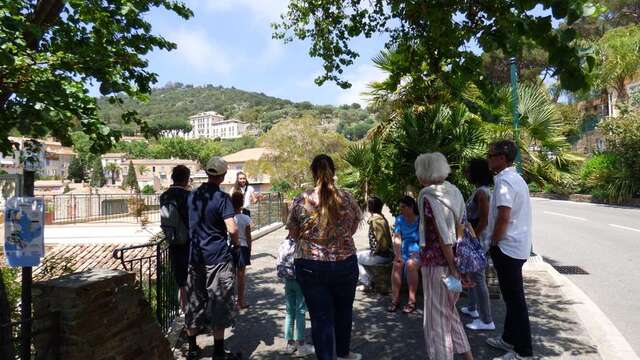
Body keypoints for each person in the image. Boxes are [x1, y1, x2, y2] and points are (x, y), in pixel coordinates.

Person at [287, 154, 362, 360]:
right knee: (344, 312)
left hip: (310, 265)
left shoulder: (302, 200)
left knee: (320, 318)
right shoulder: (347, 197)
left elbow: (292, 233)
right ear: (334, 171)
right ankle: (344, 354)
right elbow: (354, 227)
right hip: (345, 263)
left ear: (313, 173)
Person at [416, 152, 473, 360]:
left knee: (436, 323)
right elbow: (462, 227)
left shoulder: (428, 195)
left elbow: (443, 236)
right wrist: (459, 268)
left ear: (425, 172)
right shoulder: (454, 191)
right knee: (450, 314)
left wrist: (452, 267)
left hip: (438, 267)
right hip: (455, 263)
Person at [186, 156, 240, 360]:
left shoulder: (192, 196)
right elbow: (232, 228)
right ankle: (218, 353)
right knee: (219, 302)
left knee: (194, 302)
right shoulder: (222, 198)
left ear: (207, 173)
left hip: (195, 257)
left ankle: (192, 349)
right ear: (223, 175)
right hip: (217, 257)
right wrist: (236, 244)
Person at [485, 140, 533, 360]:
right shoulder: (516, 179)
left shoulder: (505, 181)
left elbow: (504, 217)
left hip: (507, 248)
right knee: (511, 298)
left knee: (515, 302)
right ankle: (508, 339)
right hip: (516, 247)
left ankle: (523, 352)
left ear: (502, 158)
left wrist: (493, 243)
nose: (488, 158)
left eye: (490, 155)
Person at [461, 159, 496, 331]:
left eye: (468, 171)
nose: (466, 174)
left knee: (479, 278)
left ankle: (487, 320)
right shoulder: (480, 191)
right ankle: (473, 308)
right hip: (476, 240)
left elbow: (483, 221)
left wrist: (473, 241)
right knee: (473, 276)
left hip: (478, 242)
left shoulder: (482, 193)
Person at [276, 236, 315, 357]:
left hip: (288, 280)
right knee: (300, 311)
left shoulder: (285, 242)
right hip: (300, 281)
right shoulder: (304, 243)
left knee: (289, 312)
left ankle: (290, 344)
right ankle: (301, 344)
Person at [159, 165, 191, 313]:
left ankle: (183, 312)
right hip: (189, 244)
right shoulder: (189, 197)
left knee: (180, 283)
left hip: (173, 242)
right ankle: (194, 315)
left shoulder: (164, 196)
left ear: (173, 178)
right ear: (186, 178)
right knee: (192, 280)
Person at [388, 196, 421, 314]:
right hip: (404, 251)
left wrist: (418, 252)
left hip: (418, 252)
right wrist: (397, 254)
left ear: (411, 207)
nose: (401, 209)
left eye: (403, 207)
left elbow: (424, 240)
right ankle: (395, 300)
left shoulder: (420, 220)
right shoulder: (399, 220)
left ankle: (412, 301)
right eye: (400, 207)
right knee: (397, 264)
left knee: (411, 264)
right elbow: (397, 238)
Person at [356, 196, 393, 292]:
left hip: (382, 255)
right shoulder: (381, 217)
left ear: (370, 207)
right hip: (387, 254)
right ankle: (371, 280)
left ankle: (367, 282)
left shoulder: (375, 221)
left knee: (354, 258)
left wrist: (375, 251)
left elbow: (381, 241)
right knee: (360, 255)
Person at [231, 191, 252, 310]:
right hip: (243, 248)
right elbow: (249, 237)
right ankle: (241, 301)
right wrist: (249, 251)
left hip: (231, 248)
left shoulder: (229, 218)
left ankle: (231, 302)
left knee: (231, 277)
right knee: (241, 277)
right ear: (242, 203)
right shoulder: (246, 218)